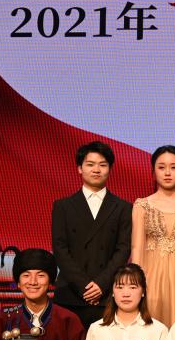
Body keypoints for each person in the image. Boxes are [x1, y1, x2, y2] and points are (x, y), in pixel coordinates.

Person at [51, 141, 133, 329]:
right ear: (79, 168)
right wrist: (85, 286)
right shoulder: (63, 206)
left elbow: (123, 249)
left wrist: (101, 284)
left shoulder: (123, 207)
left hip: (106, 295)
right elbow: (60, 249)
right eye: (90, 164)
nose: (96, 170)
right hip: (70, 294)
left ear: (110, 169)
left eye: (102, 165)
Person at [131, 145, 175, 327]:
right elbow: (136, 248)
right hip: (150, 275)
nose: (167, 173)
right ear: (153, 170)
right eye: (161, 167)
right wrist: (135, 285)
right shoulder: (142, 205)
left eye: (174, 167)